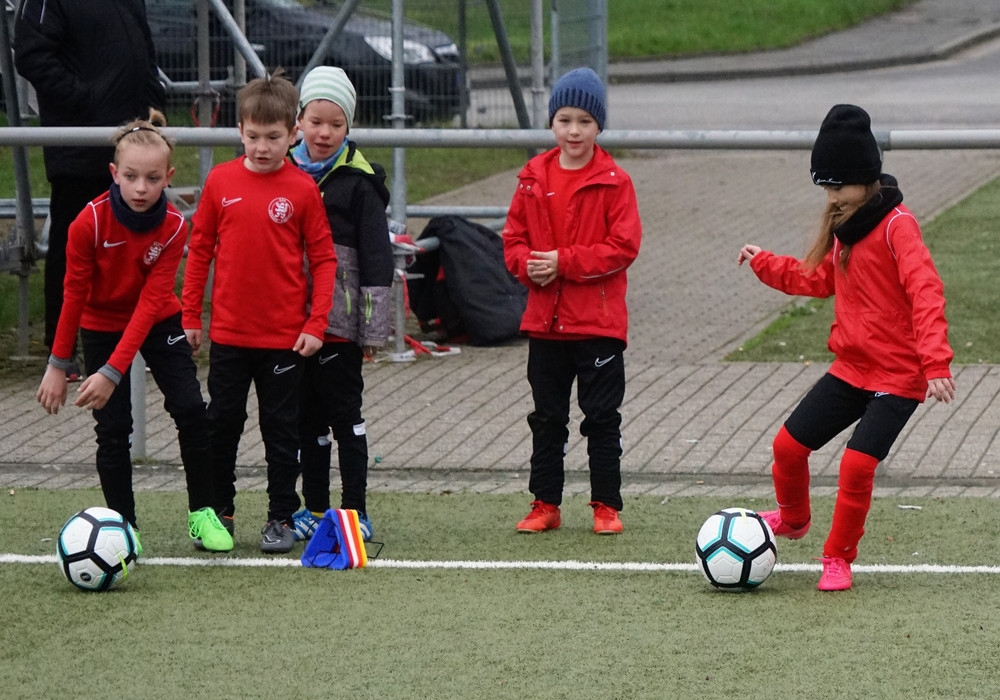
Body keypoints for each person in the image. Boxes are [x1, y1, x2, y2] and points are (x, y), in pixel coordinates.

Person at [737, 104, 956, 591]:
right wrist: (764, 262)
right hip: (852, 368)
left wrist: (935, 363)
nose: (831, 197)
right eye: (826, 188)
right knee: (787, 447)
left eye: (837, 187)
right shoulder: (844, 227)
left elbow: (926, 291)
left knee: (856, 465)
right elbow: (817, 278)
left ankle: (838, 557)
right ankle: (793, 519)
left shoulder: (898, 225)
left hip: (898, 377)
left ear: (864, 178)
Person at [35, 114, 234, 554]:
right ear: (114, 173)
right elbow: (73, 294)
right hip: (101, 323)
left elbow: (150, 303)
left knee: (191, 409)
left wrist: (111, 372)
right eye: (131, 177)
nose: (141, 187)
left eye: (152, 178)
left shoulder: (175, 226)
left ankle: (204, 512)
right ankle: (124, 528)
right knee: (113, 428)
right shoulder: (88, 223)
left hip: (158, 320)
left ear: (169, 177)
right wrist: (58, 363)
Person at [182, 72, 337, 555]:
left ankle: (280, 517)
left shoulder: (303, 189)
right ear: (240, 132)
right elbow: (199, 251)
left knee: (281, 430)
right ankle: (219, 511)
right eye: (253, 136)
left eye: (273, 137)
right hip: (229, 336)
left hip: (284, 340)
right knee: (223, 423)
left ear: (293, 134)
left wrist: (316, 323)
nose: (262, 147)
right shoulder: (220, 181)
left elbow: (324, 260)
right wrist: (190, 316)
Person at [502, 68, 642, 535]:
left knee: (601, 418)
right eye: (565, 120)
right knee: (547, 418)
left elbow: (623, 247)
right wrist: (528, 266)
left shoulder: (615, 181)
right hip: (545, 324)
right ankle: (545, 503)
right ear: (552, 122)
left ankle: (606, 506)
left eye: (585, 121)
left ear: (599, 125)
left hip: (598, 325)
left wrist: (564, 262)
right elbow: (513, 241)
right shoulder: (531, 177)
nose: (574, 131)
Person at [15, 0, 166, 381]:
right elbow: (32, 54)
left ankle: (135, 347)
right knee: (74, 247)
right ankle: (61, 352)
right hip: (80, 146)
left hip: (132, 144)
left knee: (136, 246)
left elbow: (144, 49)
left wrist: (154, 100)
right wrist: (85, 100)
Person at [288, 67, 393, 543]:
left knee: (346, 418)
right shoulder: (282, 172)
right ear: (299, 121)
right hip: (292, 324)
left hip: (341, 327)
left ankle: (355, 510)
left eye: (336, 123)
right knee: (305, 421)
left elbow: (377, 259)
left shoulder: (360, 182)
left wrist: (373, 329)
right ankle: (313, 508)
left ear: (349, 126)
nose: (324, 132)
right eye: (315, 121)